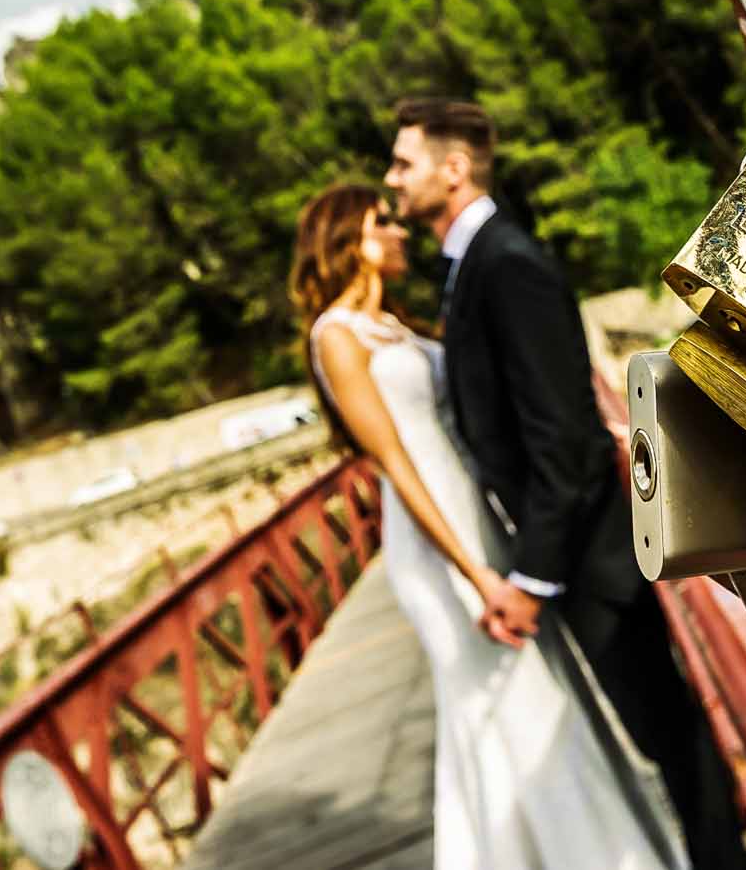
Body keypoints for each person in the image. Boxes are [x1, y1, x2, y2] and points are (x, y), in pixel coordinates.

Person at [384, 99, 746, 870]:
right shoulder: (474, 263)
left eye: (403, 163)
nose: (392, 179)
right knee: (658, 731)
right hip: (575, 553)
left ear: (453, 169)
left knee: (664, 730)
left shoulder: (508, 263)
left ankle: (725, 860)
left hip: (591, 555)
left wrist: (532, 577)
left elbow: (564, 439)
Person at [291, 182, 686, 870]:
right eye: (382, 223)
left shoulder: (399, 326)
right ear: (348, 240)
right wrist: (475, 575)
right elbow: (395, 465)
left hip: (482, 519)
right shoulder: (337, 336)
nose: (399, 231)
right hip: (438, 543)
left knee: (548, 686)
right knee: (502, 702)